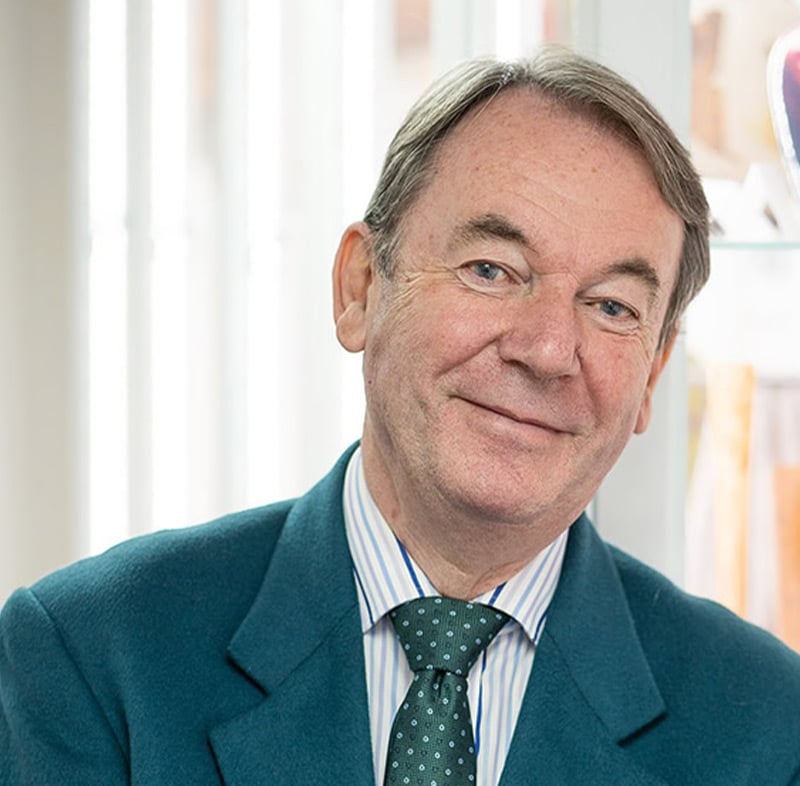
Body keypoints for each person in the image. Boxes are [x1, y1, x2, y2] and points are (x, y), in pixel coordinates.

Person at [1, 47, 799, 786]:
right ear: (360, 288)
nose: (549, 350)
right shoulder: (93, 659)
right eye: (492, 269)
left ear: (654, 371)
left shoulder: (768, 728)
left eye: (612, 306)